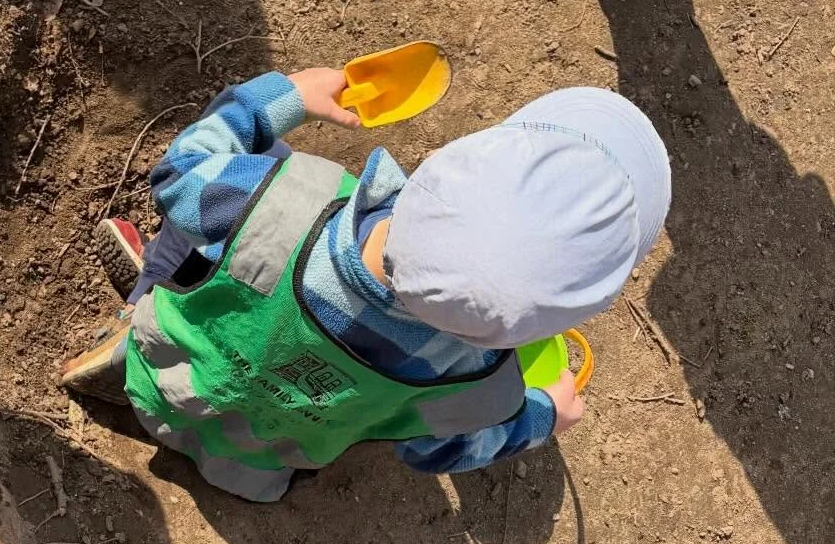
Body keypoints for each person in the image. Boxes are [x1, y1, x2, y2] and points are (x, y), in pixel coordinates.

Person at [60, 70, 670, 503]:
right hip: (256, 461)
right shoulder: (480, 386)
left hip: (169, 368)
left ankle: (140, 317)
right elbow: (439, 453)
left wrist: (282, 98)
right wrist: (540, 415)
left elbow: (178, 171)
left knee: (236, 192)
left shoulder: (277, 196)